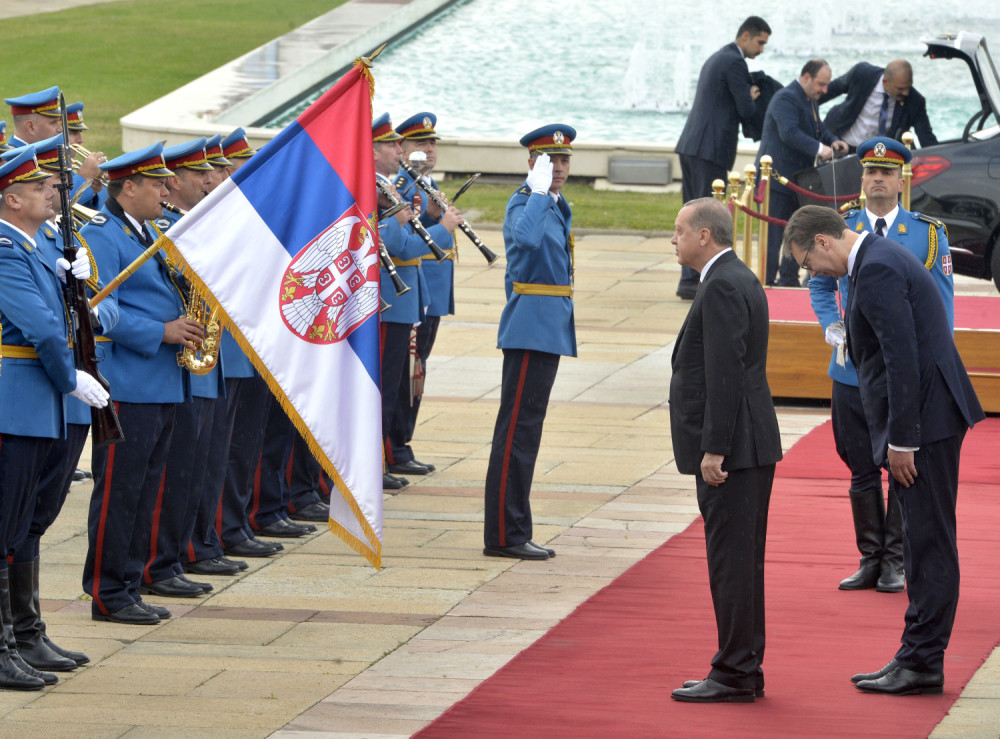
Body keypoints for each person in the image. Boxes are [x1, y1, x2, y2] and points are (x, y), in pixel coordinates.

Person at [784, 206, 984, 696]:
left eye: (807, 262)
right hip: (930, 417)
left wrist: (902, 441)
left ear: (824, 242)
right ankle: (916, 655)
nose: (812, 272)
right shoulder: (877, 256)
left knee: (929, 543)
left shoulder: (874, 269)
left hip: (926, 425)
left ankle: (922, 662)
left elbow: (902, 361)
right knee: (920, 541)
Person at [809, 137, 953, 594]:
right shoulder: (840, 226)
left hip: (901, 372)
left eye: (886, 173)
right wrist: (832, 325)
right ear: (862, 177)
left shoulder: (927, 234)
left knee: (900, 465)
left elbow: (940, 306)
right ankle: (870, 556)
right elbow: (817, 284)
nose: (877, 180)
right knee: (858, 464)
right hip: (852, 370)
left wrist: (933, 363)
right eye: (870, 172)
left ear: (900, 179)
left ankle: (895, 560)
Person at [1, 136, 116, 674]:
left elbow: (68, 317)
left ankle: (26, 634)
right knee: (8, 523)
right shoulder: (4, 250)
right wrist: (70, 376)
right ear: (10, 198)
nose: (52, 194)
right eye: (38, 187)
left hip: (40, 397)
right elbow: (42, 327)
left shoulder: (34, 245)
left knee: (29, 520)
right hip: (18, 397)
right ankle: (7, 645)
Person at [81, 143, 203, 625]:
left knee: (147, 487)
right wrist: (161, 331)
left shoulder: (149, 229)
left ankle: (128, 582)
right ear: (127, 187)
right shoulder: (105, 234)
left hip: (161, 380)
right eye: (156, 183)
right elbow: (98, 305)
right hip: (129, 381)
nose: (166, 189)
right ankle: (107, 590)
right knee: (120, 491)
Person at [668, 198, 782, 703]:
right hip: (749, 444)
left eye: (679, 231)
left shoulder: (720, 285)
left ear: (704, 237)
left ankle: (735, 672)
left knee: (732, 564)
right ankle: (741, 667)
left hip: (733, 451)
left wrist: (713, 449)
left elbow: (726, 373)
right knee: (740, 561)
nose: (673, 239)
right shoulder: (736, 276)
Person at [482, 124, 577, 561]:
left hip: (546, 328)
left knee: (527, 433)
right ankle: (504, 533)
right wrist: (537, 193)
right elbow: (526, 240)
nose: (557, 168)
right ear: (531, 163)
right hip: (529, 330)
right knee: (516, 434)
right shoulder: (526, 203)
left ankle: (515, 527)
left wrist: (546, 197)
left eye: (563, 160)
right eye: (548, 160)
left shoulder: (555, 204)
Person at [139, 138, 221, 598]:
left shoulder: (183, 225)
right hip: (164, 363)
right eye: (200, 174)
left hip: (195, 360)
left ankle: (178, 552)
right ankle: (156, 563)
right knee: (165, 474)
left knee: (194, 466)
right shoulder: (166, 228)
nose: (211, 180)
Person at [674, 15, 771, 299]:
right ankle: (693, 280)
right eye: (760, 42)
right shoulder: (734, 62)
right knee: (702, 217)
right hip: (710, 148)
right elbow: (745, 108)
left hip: (693, 146)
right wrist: (753, 96)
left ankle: (690, 279)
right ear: (745, 36)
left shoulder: (720, 57)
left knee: (690, 215)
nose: (762, 49)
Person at [392, 112, 461, 478]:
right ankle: (396, 446)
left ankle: (402, 442)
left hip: (431, 287)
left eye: (432, 144)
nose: (429, 150)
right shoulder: (405, 185)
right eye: (421, 144)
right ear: (403, 150)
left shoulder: (424, 182)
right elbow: (410, 241)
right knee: (408, 369)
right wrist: (442, 223)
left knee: (416, 368)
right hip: (415, 288)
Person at [373, 113, 431, 491]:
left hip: (401, 295)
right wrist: (439, 228)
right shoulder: (377, 186)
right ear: (372, 150)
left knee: (395, 383)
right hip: (384, 298)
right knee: (383, 385)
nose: (402, 149)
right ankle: (379, 459)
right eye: (394, 144)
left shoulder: (385, 185)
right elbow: (391, 242)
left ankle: (381, 459)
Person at [755, 59, 848, 286]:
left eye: (826, 85)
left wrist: (834, 141)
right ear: (806, 77)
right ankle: (766, 283)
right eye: (821, 84)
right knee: (773, 234)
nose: (824, 90)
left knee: (798, 231)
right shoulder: (785, 98)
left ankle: (788, 280)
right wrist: (820, 148)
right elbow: (789, 133)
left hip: (798, 180)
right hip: (775, 179)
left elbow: (819, 128)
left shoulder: (809, 98)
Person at [821, 60, 938, 150]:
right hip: (842, 145)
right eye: (901, 88)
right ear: (885, 82)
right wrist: (805, 107)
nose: (906, 93)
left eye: (909, 87)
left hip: (879, 155)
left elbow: (926, 137)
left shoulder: (914, 101)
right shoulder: (862, 74)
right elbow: (829, 90)